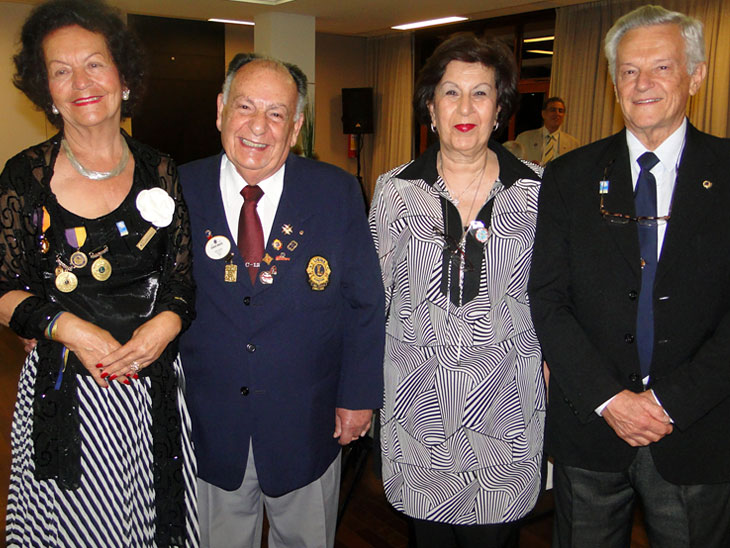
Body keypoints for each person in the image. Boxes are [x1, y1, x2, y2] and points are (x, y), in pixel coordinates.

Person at [529, 5, 730, 547]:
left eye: (661, 68)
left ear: (696, 74)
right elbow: (547, 299)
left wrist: (669, 405)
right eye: (628, 70)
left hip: (696, 431)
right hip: (592, 428)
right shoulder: (570, 178)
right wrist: (610, 399)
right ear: (613, 80)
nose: (642, 84)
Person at [0, 0, 198, 546]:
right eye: (60, 71)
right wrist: (73, 330)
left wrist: (165, 326)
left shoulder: (161, 168)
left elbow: (180, 281)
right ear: (46, 90)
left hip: (148, 389)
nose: (80, 82)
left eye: (94, 63)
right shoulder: (25, 175)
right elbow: (4, 289)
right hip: (65, 391)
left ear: (124, 77)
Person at [178, 53, 384, 548]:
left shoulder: (335, 192)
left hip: (308, 423)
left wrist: (357, 399)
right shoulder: (178, 187)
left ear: (295, 128)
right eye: (246, 106)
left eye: (276, 114)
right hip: (209, 423)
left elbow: (365, 302)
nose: (258, 127)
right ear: (222, 109)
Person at [369, 33, 545, 548]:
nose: (464, 107)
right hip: (417, 414)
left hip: (507, 418)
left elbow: (556, 300)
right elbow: (372, 305)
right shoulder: (394, 190)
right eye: (450, 92)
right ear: (430, 106)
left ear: (500, 109)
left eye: (481, 93)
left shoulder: (540, 192)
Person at [516, 97, 579, 165]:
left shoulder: (573, 144)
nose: (557, 114)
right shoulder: (524, 138)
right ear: (543, 114)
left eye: (560, 111)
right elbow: (514, 165)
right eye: (553, 110)